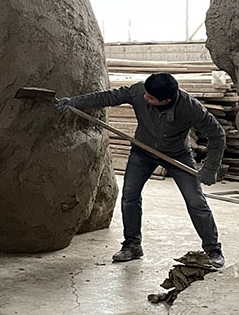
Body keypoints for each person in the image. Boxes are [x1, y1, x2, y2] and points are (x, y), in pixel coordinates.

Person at [56, 73, 226, 268]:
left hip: (177, 155)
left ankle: (213, 250)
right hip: (142, 152)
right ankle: (132, 244)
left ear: (167, 100)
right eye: (146, 94)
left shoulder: (190, 107)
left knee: (195, 201)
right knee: (130, 196)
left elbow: (217, 134)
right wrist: (74, 103)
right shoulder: (139, 91)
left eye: (151, 98)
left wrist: (210, 167)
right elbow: (107, 97)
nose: (145, 98)